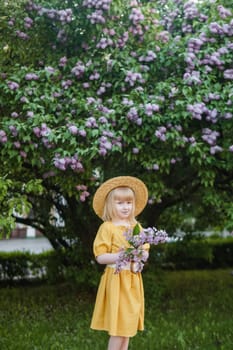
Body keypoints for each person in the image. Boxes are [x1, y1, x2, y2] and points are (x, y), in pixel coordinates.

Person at [90, 176, 149, 350]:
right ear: (110, 205)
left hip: (132, 280)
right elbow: (100, 256)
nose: (125, 207)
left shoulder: (136, 226)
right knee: (119, 328)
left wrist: (140, 257)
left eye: (129, 203)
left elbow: (145, 251)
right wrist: (122, 255)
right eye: (120, 203)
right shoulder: (107, 227)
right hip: (116, 281)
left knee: (127, 329)